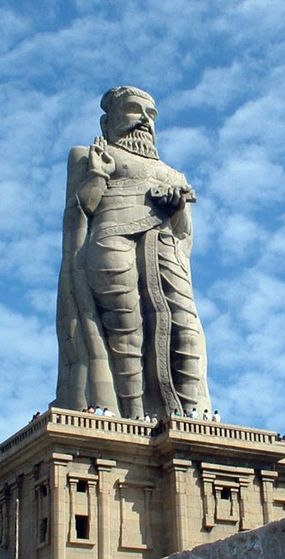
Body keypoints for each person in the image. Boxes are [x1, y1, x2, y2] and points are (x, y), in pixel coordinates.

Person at [56, 85, 211, 420]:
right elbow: (81, 209)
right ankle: (134, 415)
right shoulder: (87, 154)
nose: (144, 120)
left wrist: (178, 206)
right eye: (133, 109)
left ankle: (187, 414)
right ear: (107, 120)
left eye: (151, 114)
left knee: (184, 328)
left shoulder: (173, 173)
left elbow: (184, 232)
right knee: (127, 330)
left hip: (166, 249)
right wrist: (98, 174)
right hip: (112, 241)